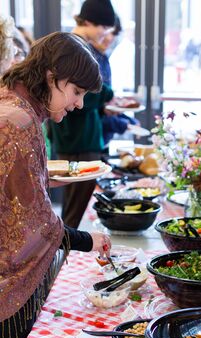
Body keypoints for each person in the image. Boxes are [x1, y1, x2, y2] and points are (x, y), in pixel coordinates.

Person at [0, 32, 112, 338]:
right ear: (52, 78)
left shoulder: (15, 102)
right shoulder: (19, 120)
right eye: (76, 92)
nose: (79, 103)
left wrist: (42, 177)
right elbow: (33, 223)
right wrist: (87, 240)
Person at [49, 0, 116, 228]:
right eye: (103, 27)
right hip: (77, 138)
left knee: (73, 207)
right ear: (87, 21)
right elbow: (78, 97)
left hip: (79, 137)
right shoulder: (73, 47)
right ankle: (63, 255)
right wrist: (108, 96)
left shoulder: (78, 44)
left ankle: (64, 253)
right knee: (73, 210)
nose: (106, 33)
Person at [91, 15, 140, 146]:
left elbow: (105, 104)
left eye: (114, 33)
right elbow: (91, 107)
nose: (110, 38)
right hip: (86, 141)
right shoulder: (88, 58)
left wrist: (127, 120)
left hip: (101, 138)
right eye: (107, 31)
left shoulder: (103, 57)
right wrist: (124, 124)